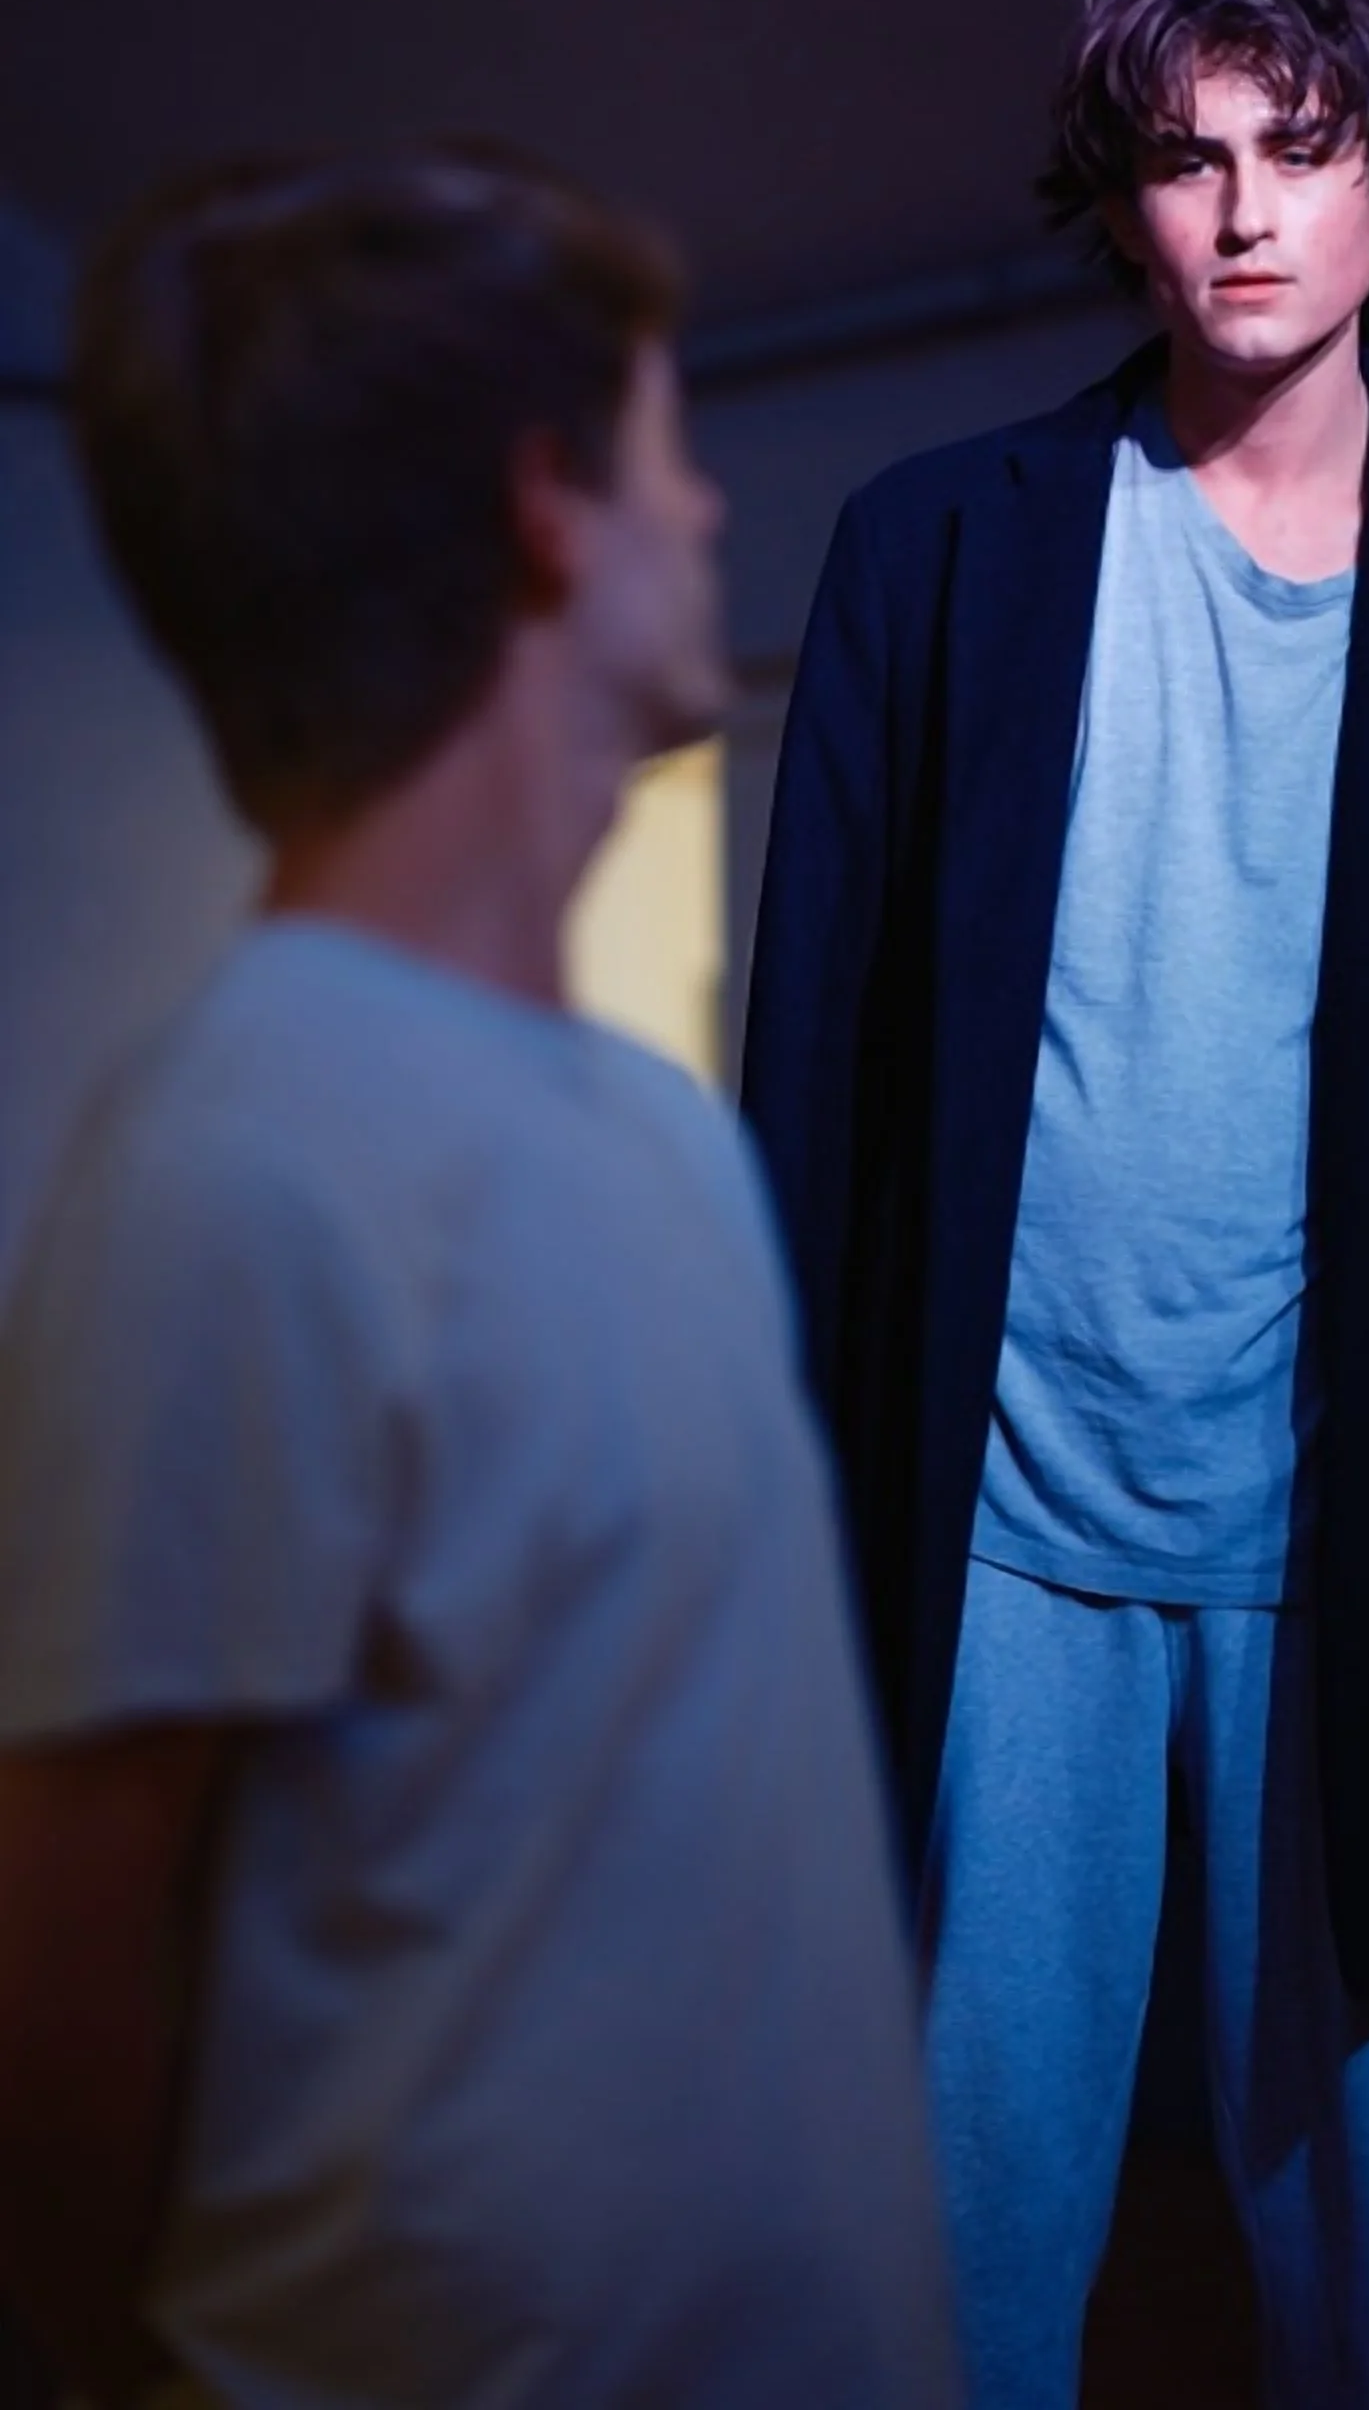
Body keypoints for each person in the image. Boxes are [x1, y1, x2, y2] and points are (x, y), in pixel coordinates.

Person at [742, 0, 1369, 2410]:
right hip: (994, 1534)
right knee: (951, 2241)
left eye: (1304, 146)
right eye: (1185, 156)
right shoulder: (935, 550)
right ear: (1121, 202)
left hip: (1358, 1539)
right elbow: (809, 1073)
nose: (1244, 206)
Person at [0, 144, 962, 2410]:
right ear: (548, 504)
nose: (711, 515)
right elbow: (63, 1954)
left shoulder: (650, 1130)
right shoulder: (243, 1150)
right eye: (666, 452)